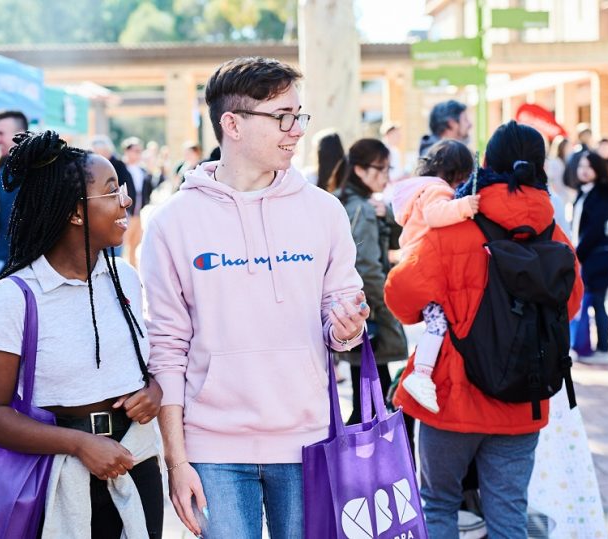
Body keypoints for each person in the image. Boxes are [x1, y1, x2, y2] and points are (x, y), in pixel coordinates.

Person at [140, 56, 369, 539]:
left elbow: (341, 312)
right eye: (282, 117)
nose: (296, 130)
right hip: (212, 449)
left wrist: (346, 328)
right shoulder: (170, 224)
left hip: (308, 441)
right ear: (232, 124)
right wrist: (176, 462)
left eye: (299, 116)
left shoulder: (324, 212)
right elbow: (166, 349)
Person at [385, 121, 583, 537]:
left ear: (486, 165)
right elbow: (571, 304)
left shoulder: (452, 232)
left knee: (438, 503)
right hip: (523, 398)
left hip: (450, 400)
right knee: (508, 514)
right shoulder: (556, 237)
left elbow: (400, 297)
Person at [0, 130, 164, 537]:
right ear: (75, 213)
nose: (125, 201)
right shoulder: (13, 299)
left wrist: (154, 391)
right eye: (111, 192)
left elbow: (142, 366)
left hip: (138, 463)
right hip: (58, 477)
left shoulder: (125, 278)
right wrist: (78, 444)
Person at [390, 139, 478, 414]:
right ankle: (422, 374)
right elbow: (435, 215)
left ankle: (422, 372)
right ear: (457, 172)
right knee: (437, 322)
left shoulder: (420, 188)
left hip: (416, 262)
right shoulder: (436, 190)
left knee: (435, 320)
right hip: (426, 265)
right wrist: (466, 206)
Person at [331, 138, 408, 425]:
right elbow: (367, 269)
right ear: (361, 171)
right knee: (373, 406)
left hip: (358, 316)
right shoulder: (361, 208)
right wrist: (389, 312)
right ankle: (350, 468)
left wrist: (386, 214)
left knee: (370, 403)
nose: (387, 177)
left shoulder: (353, 203)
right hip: (370, 315)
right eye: (381, 169)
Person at [570, 150, 608, 363]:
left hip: (599, 255)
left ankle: (603, 347)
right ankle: (591, 346)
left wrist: (578, 253)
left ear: (598, 169)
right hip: (587, 254)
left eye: (588, 166)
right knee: (592, 300)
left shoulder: (603, 194)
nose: (583, 170)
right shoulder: (583, 192)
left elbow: (594, 230)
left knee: (597, 301)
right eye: (581, 166)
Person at [0, 110, 28, 280]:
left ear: (19, 135)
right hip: (4, 256)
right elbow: (8, 212)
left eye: (1, 133)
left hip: (22, 261)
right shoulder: (5, 166)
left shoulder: (33, 169)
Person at [121, 137, 154, 267]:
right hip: (124, 213)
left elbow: (149, 188)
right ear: (127, 151)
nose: (138, 153)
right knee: (123, 244)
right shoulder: (121, 168)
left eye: (140, 151)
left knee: (135, 244)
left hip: (137, 213)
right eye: (135, 150)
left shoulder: (142, 170)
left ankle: (132, 270)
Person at [563, 123, 593, 190]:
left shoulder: (591, 152)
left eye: (588, 135)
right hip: (577, 187)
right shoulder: (576, 153)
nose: (586, 137)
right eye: (584, 135)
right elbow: (570, 172)